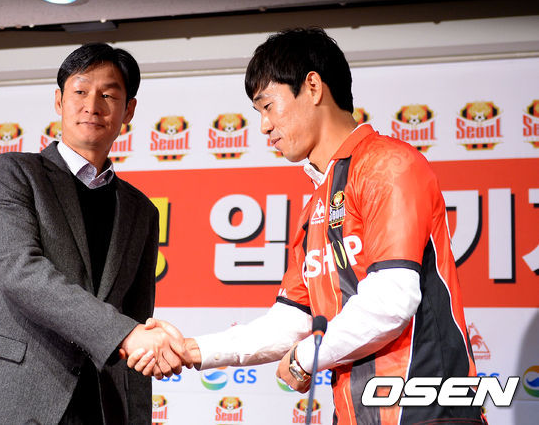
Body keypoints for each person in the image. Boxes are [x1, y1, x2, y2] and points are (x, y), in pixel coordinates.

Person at [128, 28, 485, 424]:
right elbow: (292, 322)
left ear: (313, 87)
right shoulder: (315, 205)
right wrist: (191, 350)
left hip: (429, 412)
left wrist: (305, 358)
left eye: (268, 106)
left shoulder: (388, 165)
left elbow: (391, 300)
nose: (263, 126)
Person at [0, 43, 191, 425]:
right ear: (59, 101)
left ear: (129, 110)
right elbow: (19, 271)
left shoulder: (141, 211)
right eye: (80, 91)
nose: (92, 105)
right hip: (6, 399)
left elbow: (138, 318)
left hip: (97, 406)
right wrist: (124, 334)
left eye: (109, 95)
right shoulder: (12, 173)